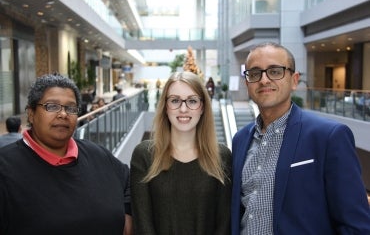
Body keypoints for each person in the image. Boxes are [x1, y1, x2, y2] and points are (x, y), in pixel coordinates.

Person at [231, 42, 370, 234]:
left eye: (275, 71)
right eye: (254, 74)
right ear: (247, 82)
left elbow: (356, 225)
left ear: (294, 80)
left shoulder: (328, 137)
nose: (264, 80)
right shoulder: (240, 139)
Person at [0, 73, 132, 234]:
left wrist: (127, 219)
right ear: (31, 113)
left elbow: (131, 184)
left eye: (71, 108)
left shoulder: (98, 154)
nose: (63, 114)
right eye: (52, 106)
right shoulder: (5, 168)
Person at [130, 71, 231, 234]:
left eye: (192, 101)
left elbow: (224, 225)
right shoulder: (145, 155)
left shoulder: (222, 156)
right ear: (165, 107)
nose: (183, 109)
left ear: (202, 107)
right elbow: (143, 225)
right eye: (175, 101)